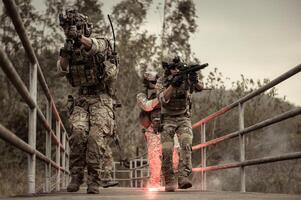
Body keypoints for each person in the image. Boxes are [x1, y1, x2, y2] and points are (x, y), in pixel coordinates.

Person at [57, 9, 119, 194]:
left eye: (75, 27)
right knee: (77, 133)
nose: (71, 31)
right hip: (82, 98)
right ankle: (76, 176)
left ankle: (94, 179)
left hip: (102, 98)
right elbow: (61, 70)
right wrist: (67, 48)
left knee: (95, 137)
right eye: (69, 28)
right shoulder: (68, 48)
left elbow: (96, 47)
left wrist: (80, 39)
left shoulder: (102, 42)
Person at [156, 56, 204, 192]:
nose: (176, 70)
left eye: (178, 67)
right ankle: (169, 179)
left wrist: (194, 79)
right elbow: (162, 98)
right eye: (172, 68)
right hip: (167, 118)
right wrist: (173, 85)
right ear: (168, 69)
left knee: (186, 143)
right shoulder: (162, 81)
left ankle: (183, 176)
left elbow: (200, 88)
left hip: (183, 117)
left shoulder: (186, 77)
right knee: (167, 149)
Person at [136, 71, 180, 189]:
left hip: (167, 124)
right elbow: (146, 106)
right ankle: (155, 183)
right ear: (146, 83)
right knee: (155, 158)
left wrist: (165, 93)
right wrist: (161, 98)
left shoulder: (164, 91)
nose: (154, 84)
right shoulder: (141, 95)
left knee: (174, 155)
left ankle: (171, 181)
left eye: (156, 82)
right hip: (151, 129)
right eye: (152, 82)